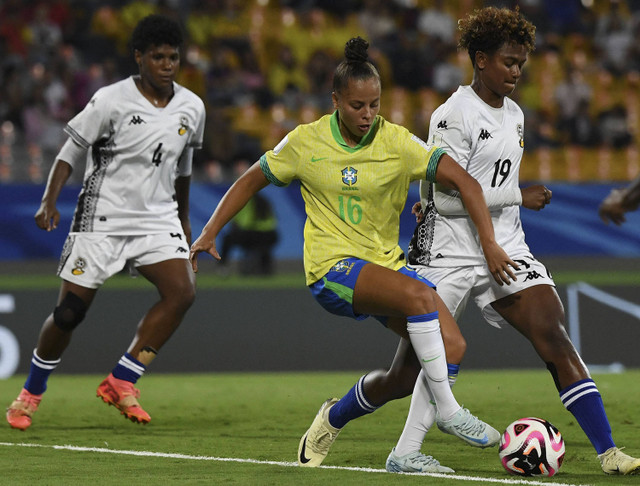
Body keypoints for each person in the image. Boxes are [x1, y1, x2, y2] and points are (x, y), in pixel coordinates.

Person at [189, 36, 517, 472]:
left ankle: (347, 425)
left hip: (385, 268)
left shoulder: (398, 143)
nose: (367, 115)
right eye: (357, 106)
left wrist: (489, 241)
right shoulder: (306, 142)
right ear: (335, 101)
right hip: (331, 270)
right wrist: (209, 232)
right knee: (421, 300)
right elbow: (252, 178)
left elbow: (466, 183)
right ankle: (450, 411)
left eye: (375, 105)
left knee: (444, 350)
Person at [6, 14, 205, 430]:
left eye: (172, 57)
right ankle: (30, 393)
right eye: (157, 57)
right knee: (69, 315)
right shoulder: (110, 100)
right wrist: (48, 200)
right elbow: (70, 150)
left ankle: (123, 378)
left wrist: (184, 222)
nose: (167, 64)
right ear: (139, 58)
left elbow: (184, 169)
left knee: (182, 292)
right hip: (103, 218)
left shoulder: (192, 106)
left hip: (157, 219)